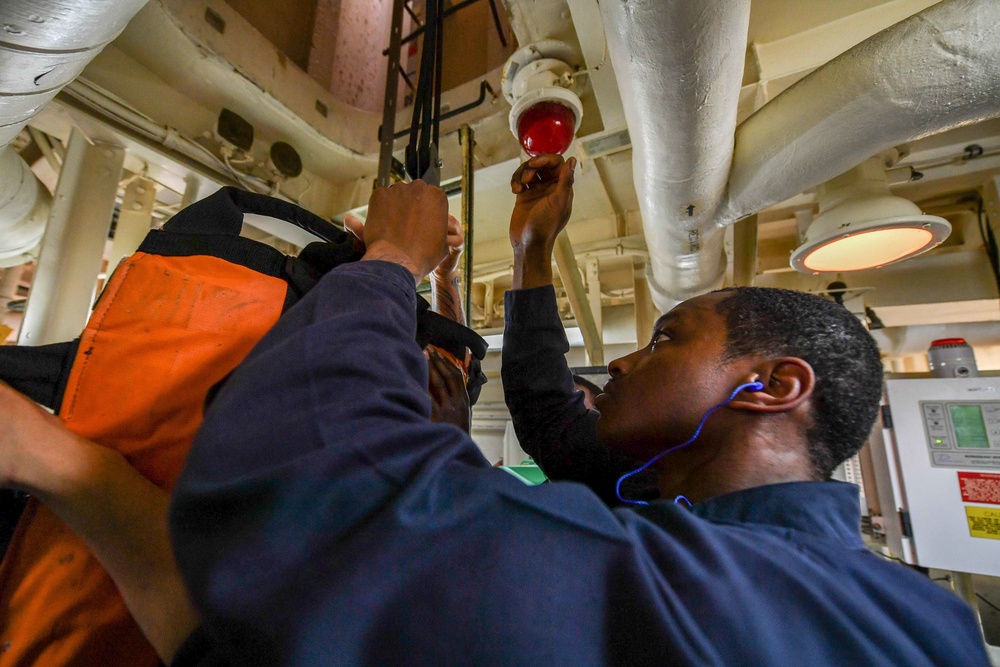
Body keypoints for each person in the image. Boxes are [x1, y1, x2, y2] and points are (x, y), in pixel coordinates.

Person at [166, 165, 988, 666]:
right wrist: (530, 250)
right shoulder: (711, 519)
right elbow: (555, 421)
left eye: (666, 338)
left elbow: (312, 486)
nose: (622, 362)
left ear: (772, 386)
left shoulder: (753, 596)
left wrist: (390, 261)